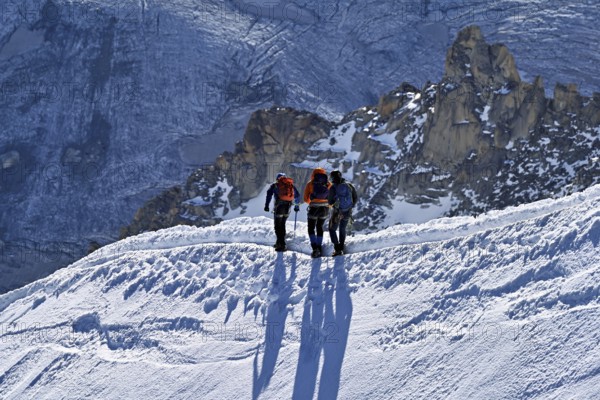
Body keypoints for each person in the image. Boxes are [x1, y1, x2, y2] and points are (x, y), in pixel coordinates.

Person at [264, 173, 301, 252]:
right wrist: (296, 206)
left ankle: (282, 245)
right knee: (282, 224)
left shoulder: (275, 185)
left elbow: (269, 194)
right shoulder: (290, 185)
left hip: (279, 208)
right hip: (288, 208)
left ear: (277, 179)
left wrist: (266, 206)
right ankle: (279, 242)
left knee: (277, 226)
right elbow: (297, 196)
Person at [328, 170, 358, 256]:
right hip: (347, 211)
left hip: (337, 212)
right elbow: (355, 198)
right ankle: (341, 247)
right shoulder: (349, 185)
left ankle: (337, 249)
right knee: (342, 228)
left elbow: (330, 202)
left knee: (332, 229)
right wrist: (349, 207)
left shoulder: (333, 188)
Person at [303, 167, 331, 258]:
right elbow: (332, 198)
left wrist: (312, 201)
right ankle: (319, 247)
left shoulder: (310, 184)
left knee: (311, 228)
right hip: (325, 209)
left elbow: (305, 199)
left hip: (314, 209)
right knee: (320, 227)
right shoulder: (328, 184)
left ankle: (315, 248)